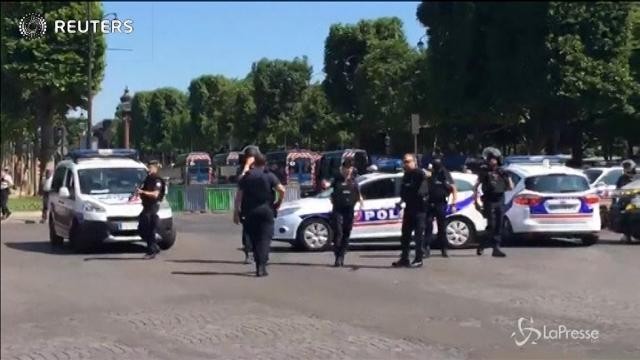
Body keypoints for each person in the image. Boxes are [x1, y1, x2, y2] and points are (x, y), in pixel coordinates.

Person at [234, 154, 286, 277]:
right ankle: (261, 266)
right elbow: (282, 190)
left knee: (254, 239)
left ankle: (258, 263)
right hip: (266, 210)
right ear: (265, 163)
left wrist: (236, 212)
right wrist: (279, 202)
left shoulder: (247, 177)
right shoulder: (269, 176)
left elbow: (239, 196)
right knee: (265, 239)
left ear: (253, 163)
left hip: (249, 212)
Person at [473, 148, 512, 258]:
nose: (492, 161)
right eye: (490, 159)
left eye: (494, 159)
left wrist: (507, 178)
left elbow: (510, 187)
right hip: (489, 200)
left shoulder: (502, 171)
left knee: (499, 225)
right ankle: (482, 244)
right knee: (491, 225)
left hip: (500, 199)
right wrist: (475, 200)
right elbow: (476, 186)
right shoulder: (484, 172)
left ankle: (496, 248)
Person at [392, 153, 429, 268]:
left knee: (418, 236)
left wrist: (427, 173)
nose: (405, 164)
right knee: (405, 236)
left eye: (408, 161)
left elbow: (424, 179)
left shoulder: (418, 173)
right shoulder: (406, 175)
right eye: (404, 161)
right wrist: (401, 202)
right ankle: (404, 258)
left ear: (414, 162)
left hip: (419, 210)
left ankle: (418, 259)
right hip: (409, 208)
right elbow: (405, 192)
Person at [329, 159, 364, 267]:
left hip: (349, 210)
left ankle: (341, 255)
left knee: (346, 233)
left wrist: (360, 210)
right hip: (338, 209)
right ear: (342, 169)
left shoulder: (354, 181)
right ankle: (337, 254)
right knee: (338, 233)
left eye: (350, 168)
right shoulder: (337, 180)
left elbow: (359, 197)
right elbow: (330, 192)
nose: (347, 170)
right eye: (346, 168)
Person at [424, 154, 458, 258]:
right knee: (428, 226)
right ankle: (426, 248)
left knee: (442, 227)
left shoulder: (444, 173)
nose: (436, 163)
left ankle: (444, 249)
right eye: (434, 161)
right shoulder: (429, 173)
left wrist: (453, 203)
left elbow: (453, 188)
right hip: (429, 203)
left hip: (441, 203)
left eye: (438, 161)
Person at [136, 160, 166, 259]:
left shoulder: (157, 180)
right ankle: (154, 246)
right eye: (148, 166)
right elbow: (143, 190)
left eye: (151, 167)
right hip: (146, 206)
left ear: (155, 168)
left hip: (153, 206)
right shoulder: (148, 178)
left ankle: (151, 251)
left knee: (150, 228)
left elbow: (155, 194)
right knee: (142, 229)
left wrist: (143, 192)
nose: (149, 168)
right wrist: (139, 193)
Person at [237, 145, 261, 264]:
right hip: (247, 206)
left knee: (260, 231)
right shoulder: (243, 170)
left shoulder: (261, 169)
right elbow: (240, 185)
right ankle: (249, 253)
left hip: (261, 205)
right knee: (247, 231)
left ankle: (259, 254)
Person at [616, 159, 637, 242]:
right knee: (625, 215)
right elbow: (617, 190)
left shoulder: (637, 177)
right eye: (625, 166)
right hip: (627, 201)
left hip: (637, 200)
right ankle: (627, 234)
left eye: (628, 166)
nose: (627, 168)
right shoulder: (622, 178)